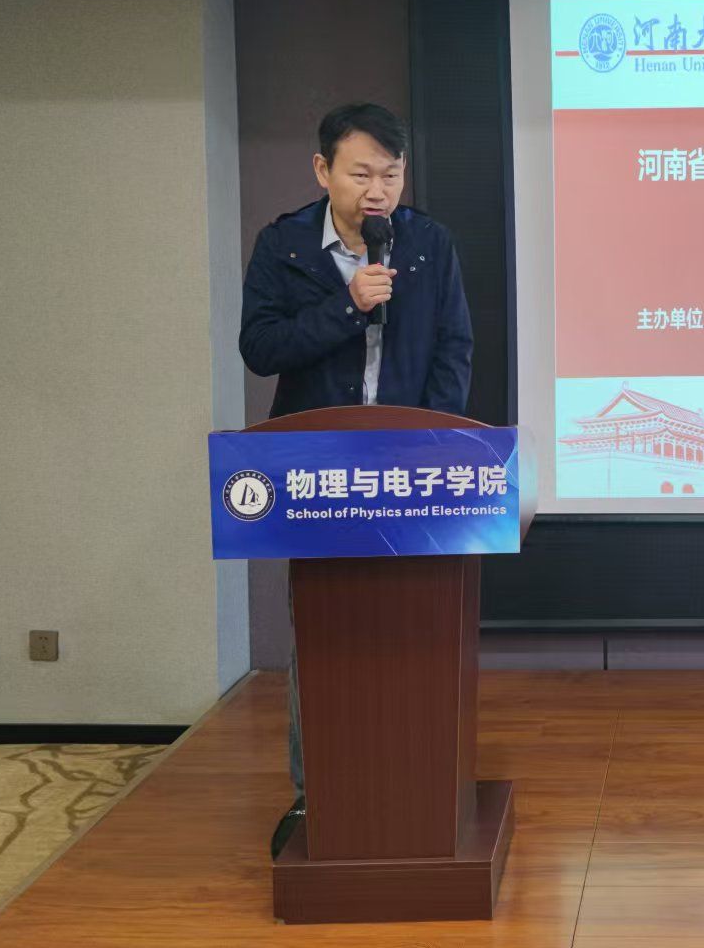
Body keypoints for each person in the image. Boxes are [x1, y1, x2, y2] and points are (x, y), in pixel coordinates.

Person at [239, 102, 473, 859]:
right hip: (318, 467)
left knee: (411, 621)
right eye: (362, 173)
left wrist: (432, 445)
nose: (379, 190)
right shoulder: (283, 245)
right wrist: (347, 305)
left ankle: (415, 778)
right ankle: (319, 792)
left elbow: (453, 348)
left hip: (408, 469)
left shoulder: (428, 243)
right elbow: (261, 347)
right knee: (323, 629)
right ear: (323, 170)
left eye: (392, 175)